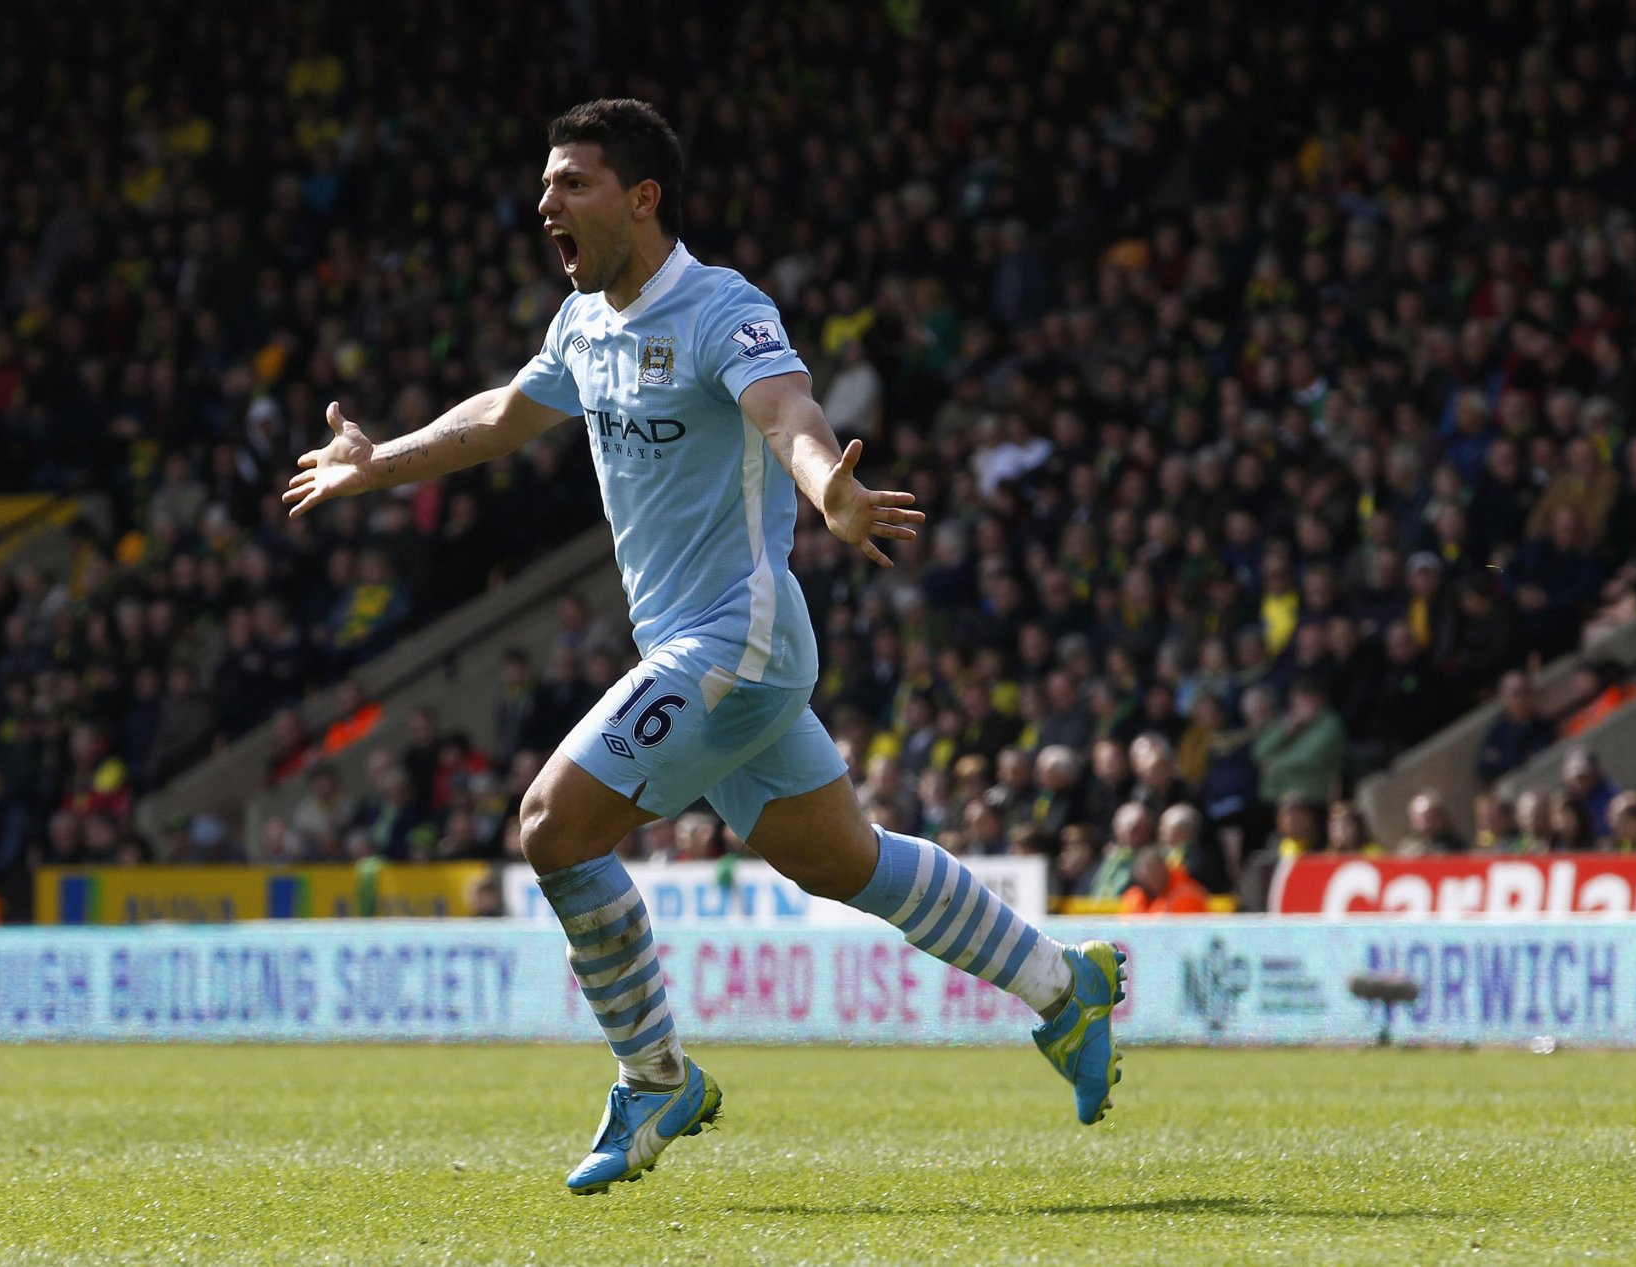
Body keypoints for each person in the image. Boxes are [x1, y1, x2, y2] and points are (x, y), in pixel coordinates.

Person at [281, 99, 1125, 1193]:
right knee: (843, 860)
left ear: (642, 197)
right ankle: (1067, 985)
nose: (547, 205)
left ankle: (655, 1075)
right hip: (708, 653)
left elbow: (787, 413)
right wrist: (375, 459)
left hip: (738, 635)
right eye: (544, 186)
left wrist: (833, 494)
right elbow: (499, 416)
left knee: (552, 825)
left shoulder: (723, 308)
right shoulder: (583, 327)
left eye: (572, 183)